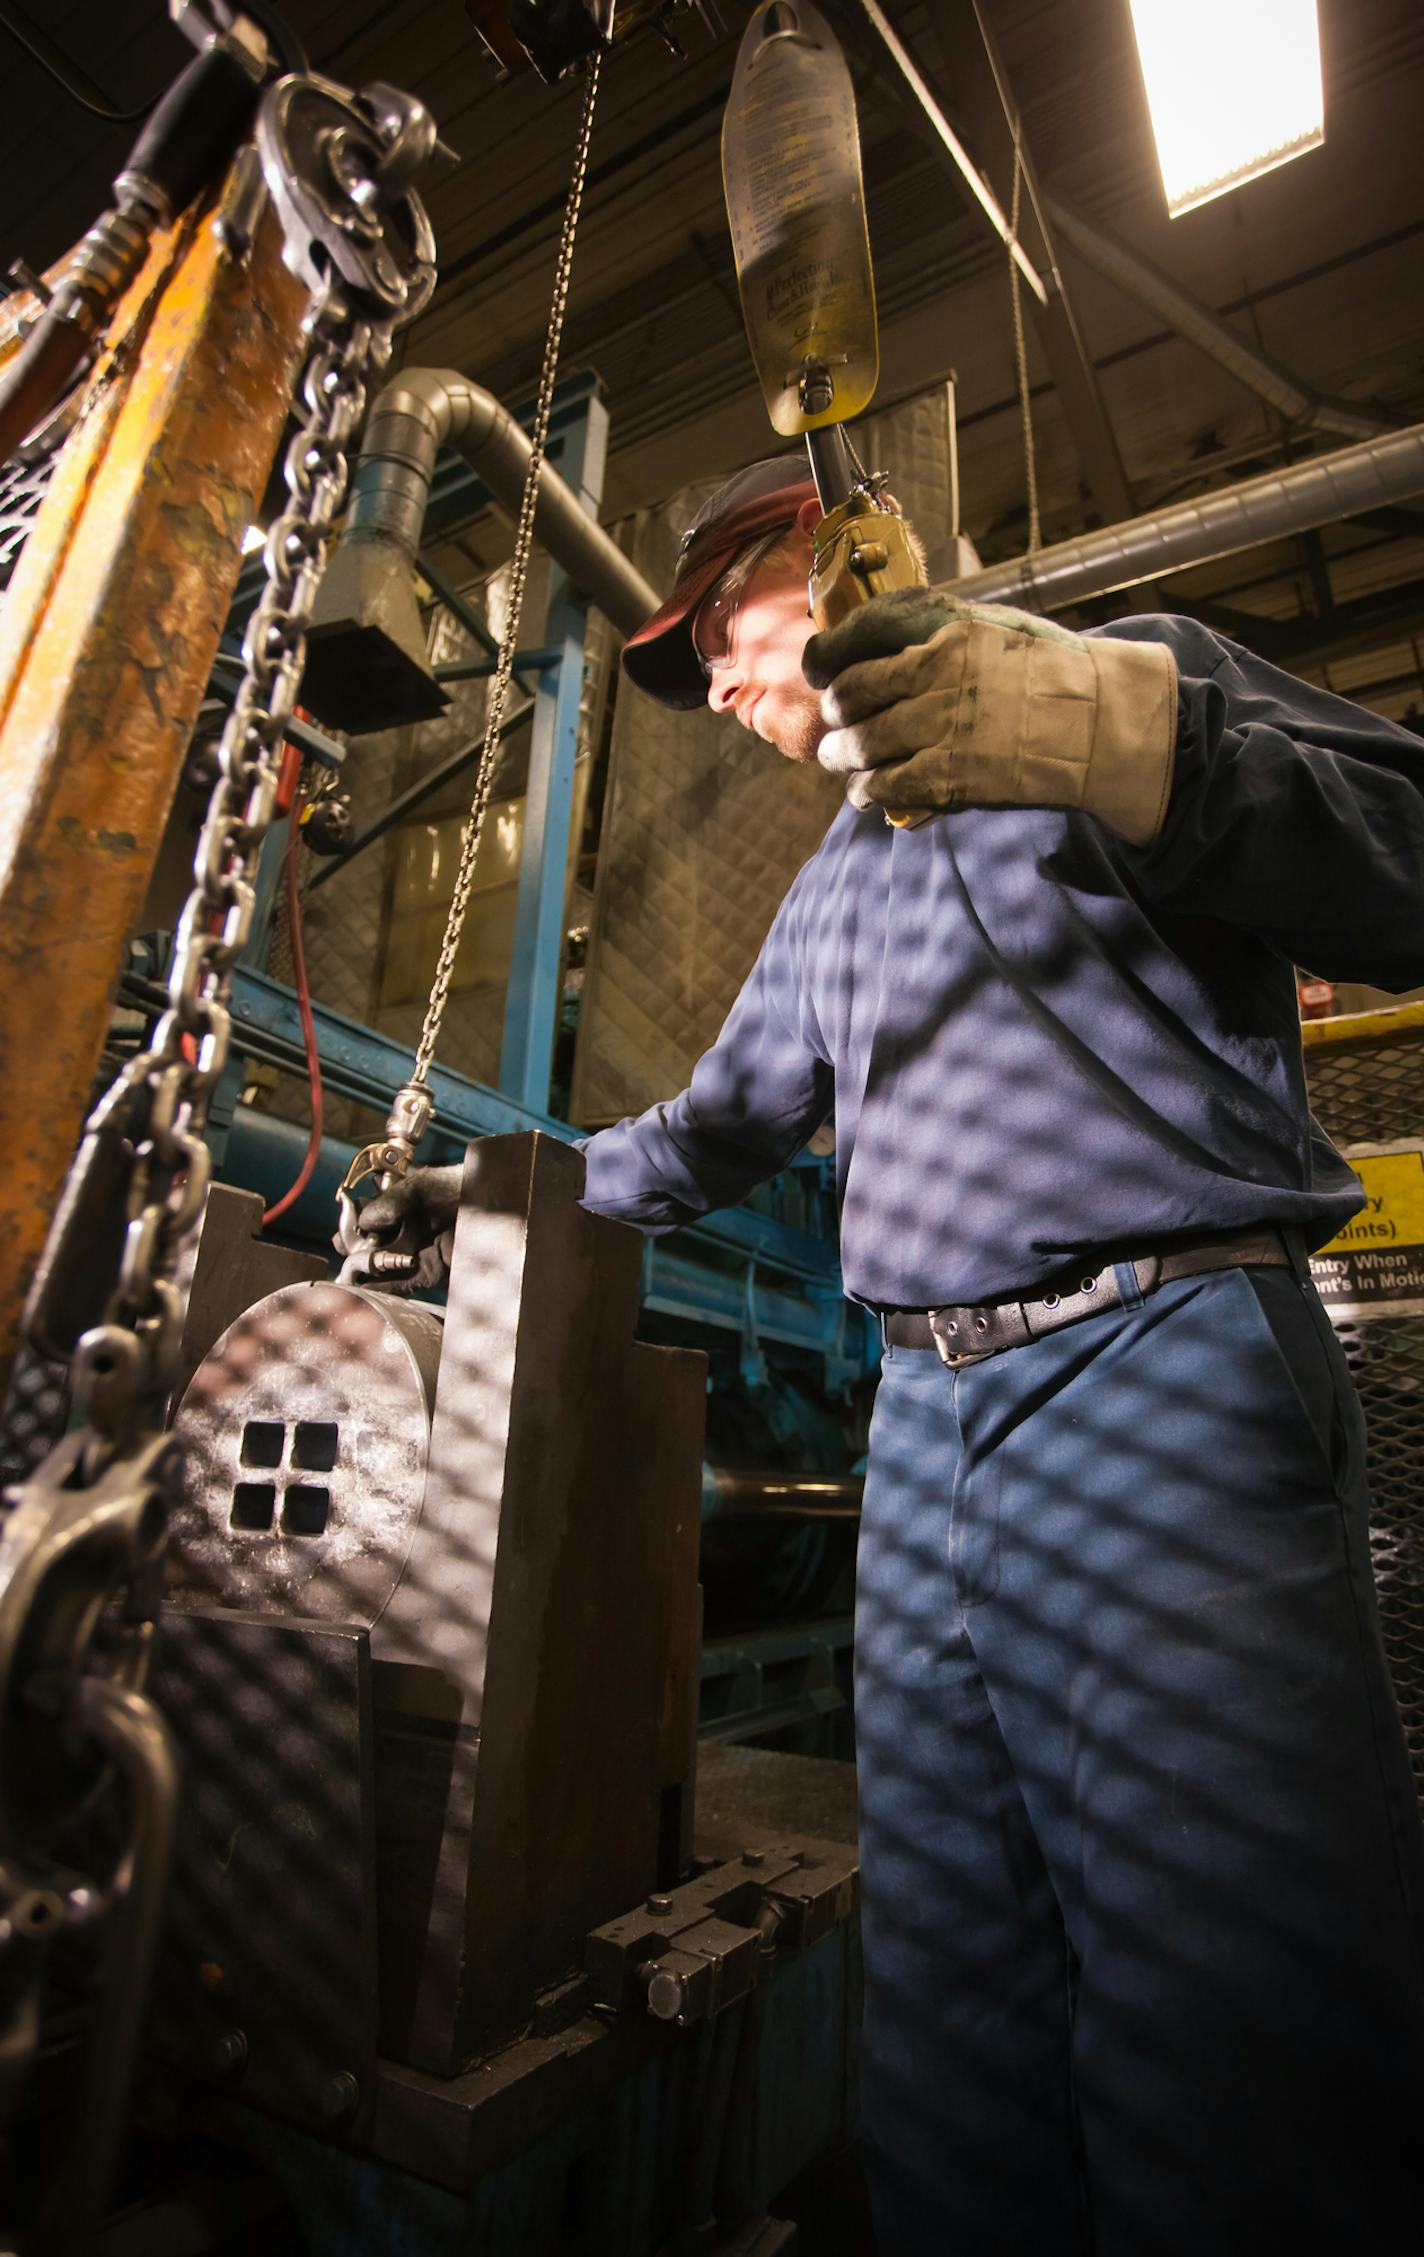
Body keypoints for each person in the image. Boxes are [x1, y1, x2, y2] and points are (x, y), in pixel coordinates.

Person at [359, 454, 1424, 2254]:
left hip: (1149, 1366)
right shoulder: (836, 893)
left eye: (721, 633)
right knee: (949, 2026)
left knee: (1232, 2023)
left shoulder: (1121, 682)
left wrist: (1133, 739)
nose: (715, 689)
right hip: (922, 1434)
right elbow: (700, 1135)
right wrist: (494, 1187)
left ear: (833, 550)